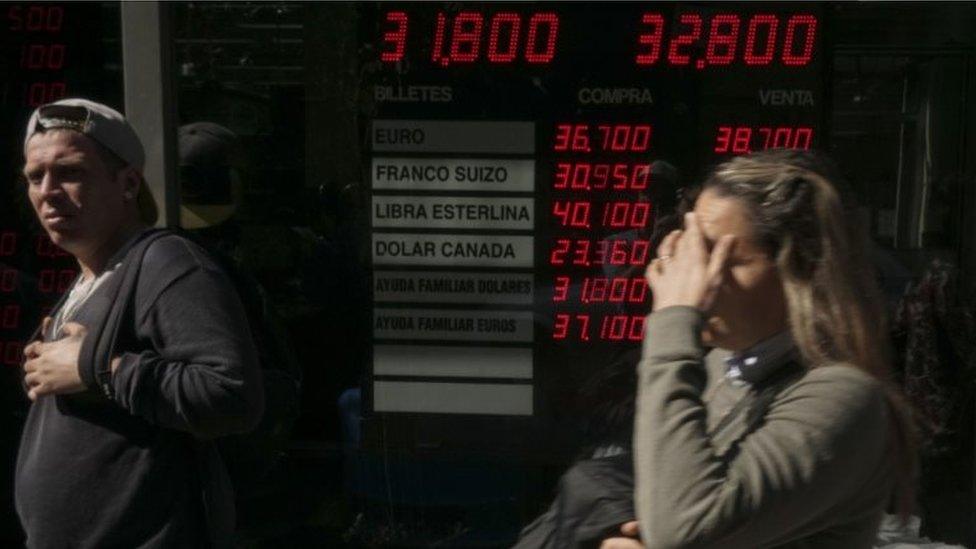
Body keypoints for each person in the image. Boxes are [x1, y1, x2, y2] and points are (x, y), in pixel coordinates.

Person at [602, 149, 917, 548]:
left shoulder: (843, 397)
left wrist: (673, 320)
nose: (696, 274)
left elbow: (683, 529)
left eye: (722, 259)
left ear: (798, 270)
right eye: (694, 250)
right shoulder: (720, 367)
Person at [15, 98, 264, 548]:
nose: (47, 191)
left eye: (70, 172)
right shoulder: (90, 277)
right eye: (35, 177)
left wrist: (97, 368)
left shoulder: (168, 264)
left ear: (128, 182)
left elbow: (232, 396)